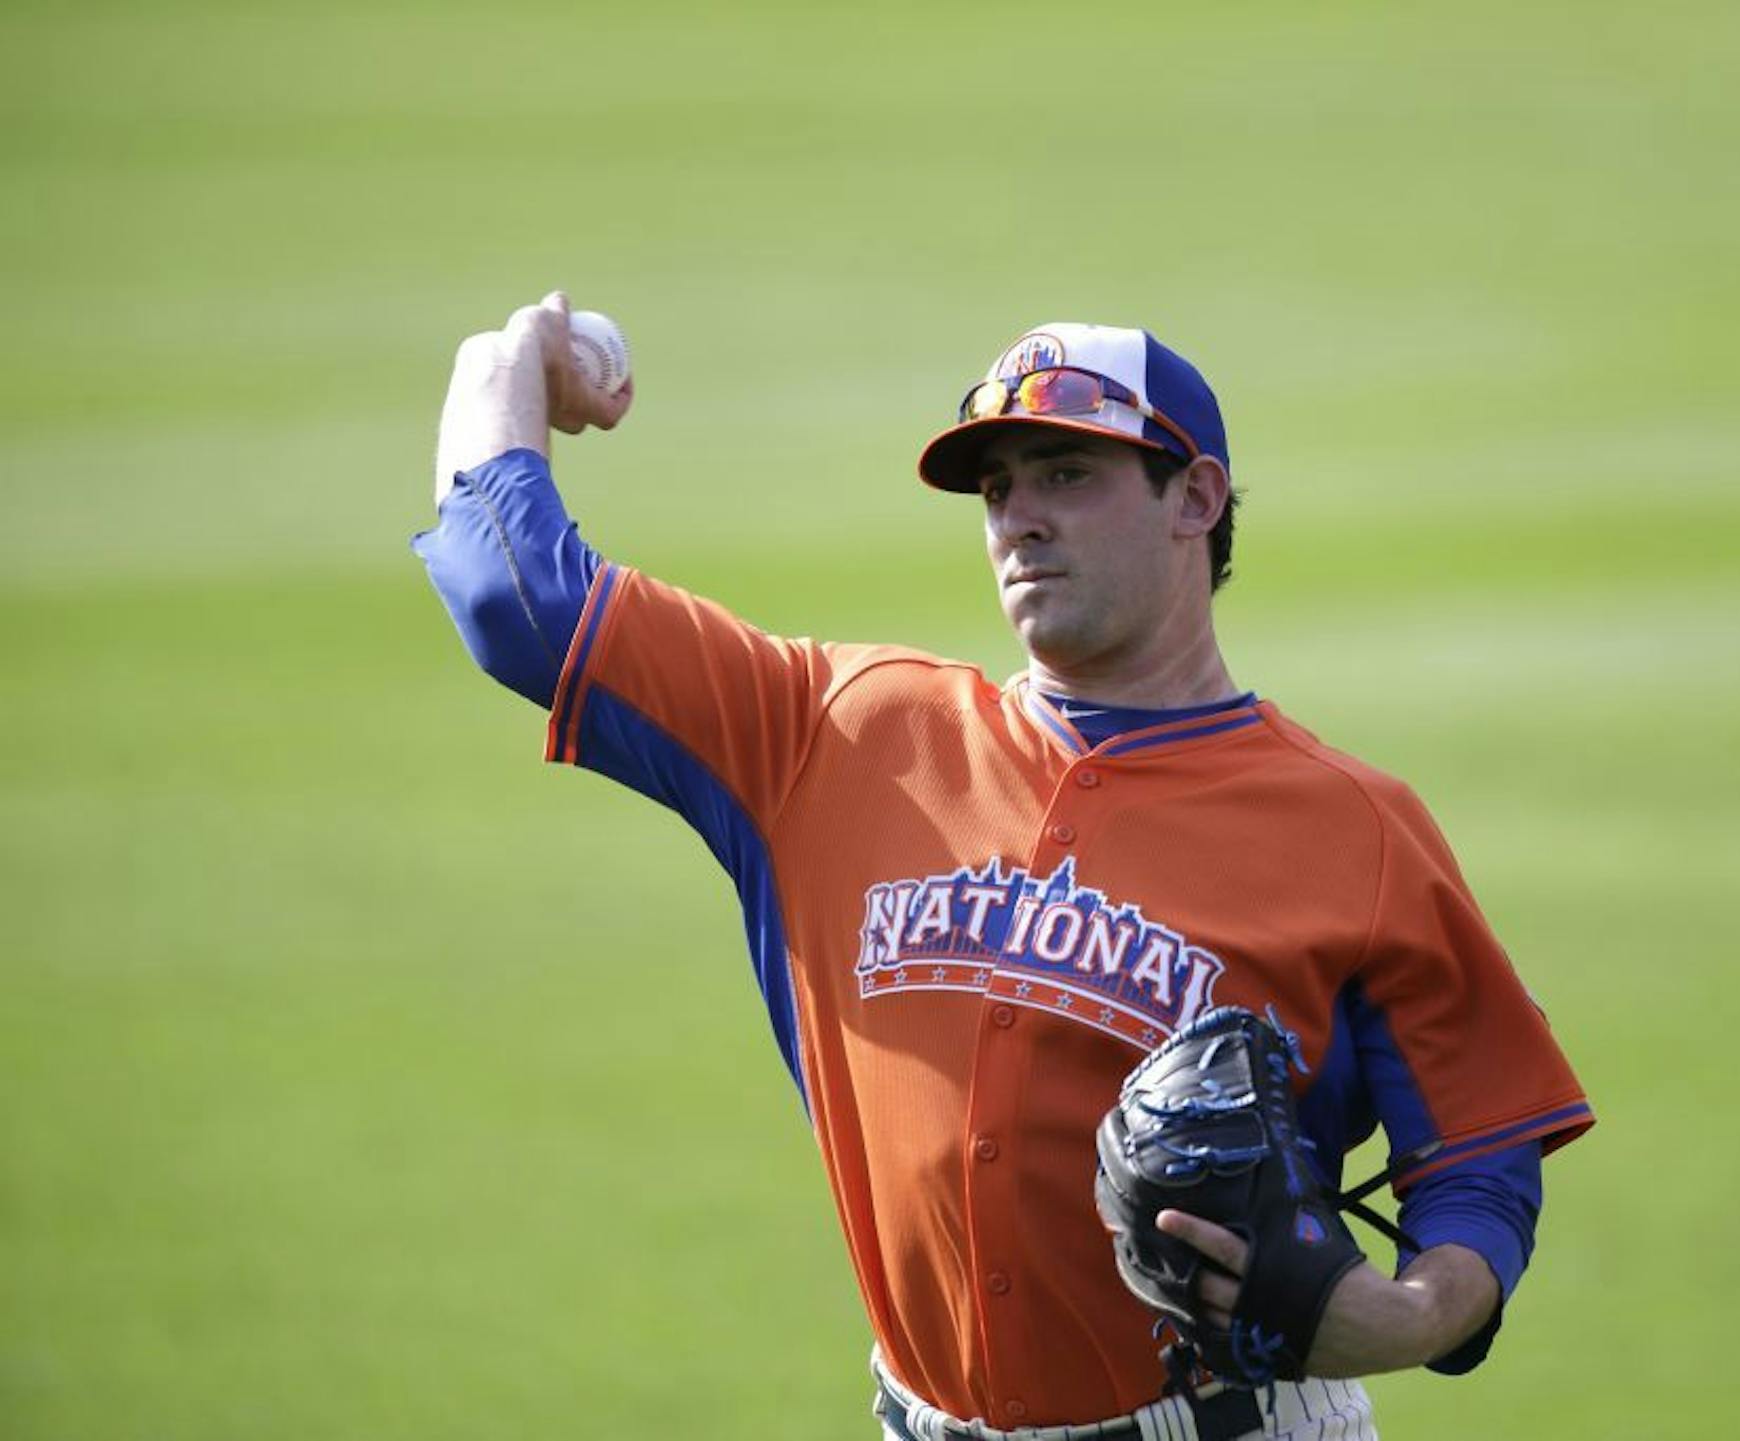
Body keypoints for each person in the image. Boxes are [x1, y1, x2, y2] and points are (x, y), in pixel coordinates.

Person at [415, 294, 1594, 1441]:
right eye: (997, 486)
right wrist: (505, 360)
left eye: (1067, 474)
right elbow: (513, 598)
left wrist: (1404, 1314)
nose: (1019, 516)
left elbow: (1481, 1156)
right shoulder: (835, 734)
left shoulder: (1354, 828)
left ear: (1197, 498)